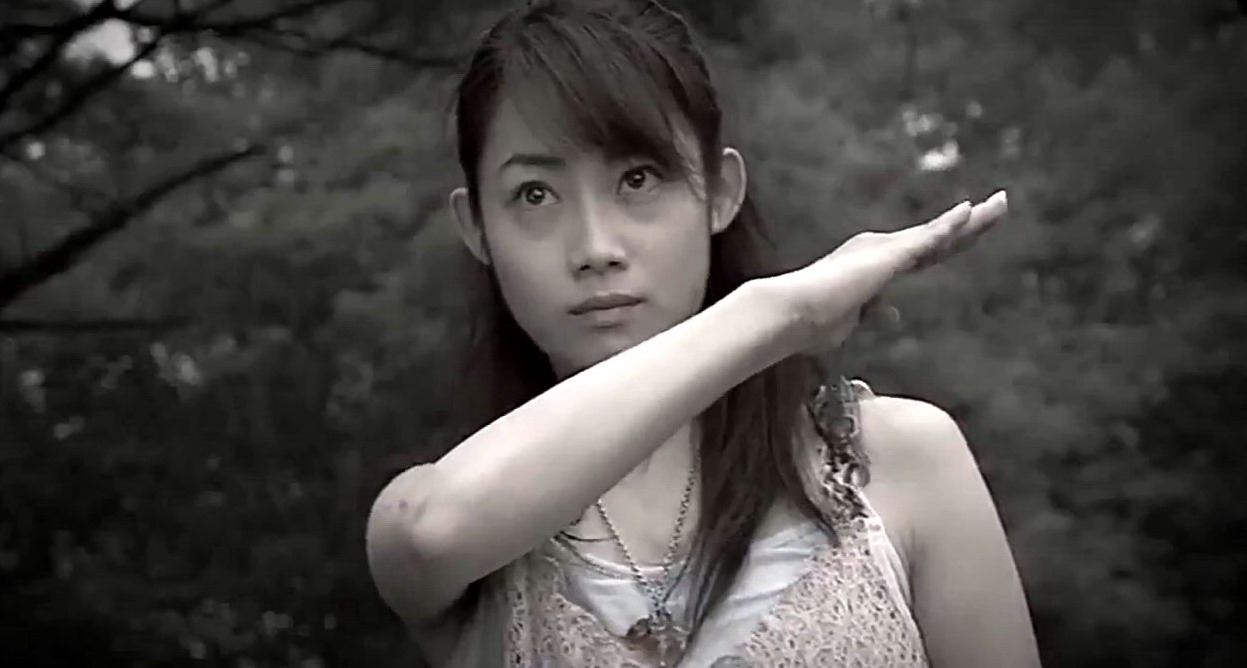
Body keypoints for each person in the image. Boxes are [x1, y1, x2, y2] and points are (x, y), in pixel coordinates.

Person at [366, 0, 1042, 665]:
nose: (595, 247)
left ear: (720, 192)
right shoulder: (466, 523)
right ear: (477, 228)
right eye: (535, 195)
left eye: (638, 179)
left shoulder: (900, 464)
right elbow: (430, 533)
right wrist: (780, 315)